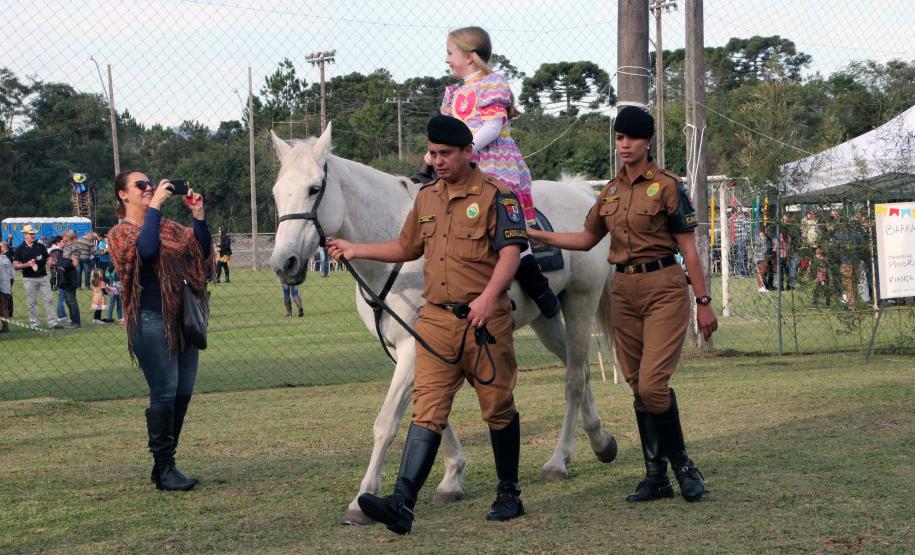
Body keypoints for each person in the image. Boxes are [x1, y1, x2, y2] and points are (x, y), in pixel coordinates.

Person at [329, 115, 529, 534]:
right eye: (433, 153)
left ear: (467, 153)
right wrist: (355, 249)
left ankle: (509, 492)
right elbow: (406, 247)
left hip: (485, 321)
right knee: (427, 409)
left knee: (497, 406)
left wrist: (488, 298)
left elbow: (511, 254)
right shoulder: (427, 199)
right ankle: (402, 502)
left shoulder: (497, 195)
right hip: (436, 320)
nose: (436, 161)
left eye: (445, 154)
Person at [527, 106, 716, 503]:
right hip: (624, 290)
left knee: (653, 384)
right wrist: (538, 236)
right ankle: (655, 477)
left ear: (648, 142)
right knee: (637, 386)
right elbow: (586, 239)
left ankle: (683, 465)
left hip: (663, 287)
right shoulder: (611, 192)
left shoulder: (667, 187)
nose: (625, 145)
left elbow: (689, 250)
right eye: (620, 138)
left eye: (632, 138)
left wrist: (703, 302)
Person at [433, 26, 559, 319]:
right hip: (463, 163)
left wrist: (465, 150)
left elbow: (491, 127)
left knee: (506, 224)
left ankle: (538, 286)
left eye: (450, 53)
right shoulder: (455, 93)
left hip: (491, 163)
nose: (446, 59)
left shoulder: (491, 85)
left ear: (470, 56)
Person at [108, 170, 213, 491]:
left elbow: (200, 250)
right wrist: (154, 207)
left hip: (184, 319)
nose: (148, 188)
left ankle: (165, 466)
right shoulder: (119, 233)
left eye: (150, 185)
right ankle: (165, 468)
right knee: (164, 392)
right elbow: (147, 251)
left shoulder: (168, 227)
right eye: (141, 185)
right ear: (123, 194)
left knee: (182, 393)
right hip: (150, 319)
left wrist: (198, 216)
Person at [12, 224, 60, 329]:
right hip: (29, 279)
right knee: (31, 303)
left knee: (49, 300)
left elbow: (48, 258)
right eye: (31, 234)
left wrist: (50, 261)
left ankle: (53, 323)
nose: (33, 235)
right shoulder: (19, 249)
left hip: (43, 277)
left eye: (34, 234)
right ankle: (35, 324)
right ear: (25, 235)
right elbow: (15, 266)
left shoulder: (40, 246)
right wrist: (27, 264)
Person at [54, 235, 81, 329]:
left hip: (70, 278)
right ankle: (73, 321)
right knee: (67, 300)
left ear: (71, 238)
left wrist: (64, 262)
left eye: (65, 237)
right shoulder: (65, 248)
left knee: (71, 300)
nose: (63, 239)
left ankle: (76, 323)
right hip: (64, 277)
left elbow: (75, 263)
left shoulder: (74, 248)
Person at [752, 227, 773, 293]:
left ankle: (762, 286)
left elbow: (755, 248)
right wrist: (768, 256)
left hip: (757, 258)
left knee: (760, 272)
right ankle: (761, 287)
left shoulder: (757, 237)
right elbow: (765, 249)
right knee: (761, 273)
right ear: (764, 230)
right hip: (763, 258)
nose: (768, 231)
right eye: (767, 230)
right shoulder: (763, 238)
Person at [0, 241, 12, 333]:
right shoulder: (7, 259)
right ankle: (5, 328)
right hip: (6, 286)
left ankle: (5, 328)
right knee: (4, 308)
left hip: (1, 286)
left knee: (3, 308)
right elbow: (12, 275)